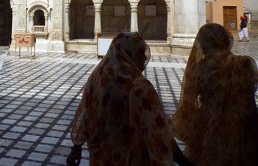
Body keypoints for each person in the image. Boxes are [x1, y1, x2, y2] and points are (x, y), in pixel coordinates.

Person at [67, 32, 191, 166]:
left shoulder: (98, 77)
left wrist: (76, 147)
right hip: (129, 158)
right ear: (128, 54)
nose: (144, 57)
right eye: (140, 53)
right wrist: (184, 161)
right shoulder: (139, 88)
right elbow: (159, 130)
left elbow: (86, 113)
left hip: (100, 156)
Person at [171, 23, 258, 166]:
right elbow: (250, 102)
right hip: (245, 132)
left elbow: (187, 109)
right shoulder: (245, 64)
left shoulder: (199, 70)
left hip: (213, 135)